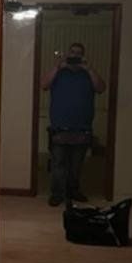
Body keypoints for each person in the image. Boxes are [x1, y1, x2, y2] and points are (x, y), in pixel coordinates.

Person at [40, 42, 106, 207]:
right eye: (72, 53)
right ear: (67, 54)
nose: (75, 56)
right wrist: (58, 66)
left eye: (79, 53)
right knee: (58, 164)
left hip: (82, 128)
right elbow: (44, 85)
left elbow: (101, 88)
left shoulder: (87, 74)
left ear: (83, 56)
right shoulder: (59, 72)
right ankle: (57, 194)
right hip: (59, 127)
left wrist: (89, 68)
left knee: (77, 165)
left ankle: (73, 191)